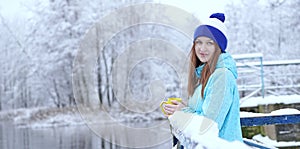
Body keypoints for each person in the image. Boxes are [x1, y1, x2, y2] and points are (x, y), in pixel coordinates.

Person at [162, 13, 243, 144]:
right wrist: (183, 108)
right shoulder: (204, 76)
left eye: (209, 43)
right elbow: (202, 112)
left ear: (218, 48)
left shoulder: (222, 76)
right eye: (199, 42)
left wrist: (182, 112)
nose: (202, 48)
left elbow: (209, 125)